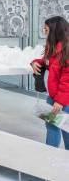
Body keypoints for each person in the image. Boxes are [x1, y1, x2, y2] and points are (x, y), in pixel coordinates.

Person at [31, 16, 69, 149]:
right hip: (54, 96)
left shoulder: (66, 50)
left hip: (62, 99)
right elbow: (47, 62)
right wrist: (35, 63)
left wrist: (60, 101)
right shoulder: (53, 48)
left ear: (55, 31)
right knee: (57, 125)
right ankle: (52, 155)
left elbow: (67, 79)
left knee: (61, 126)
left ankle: (51, 155)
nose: (44, 32)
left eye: (46, 30)